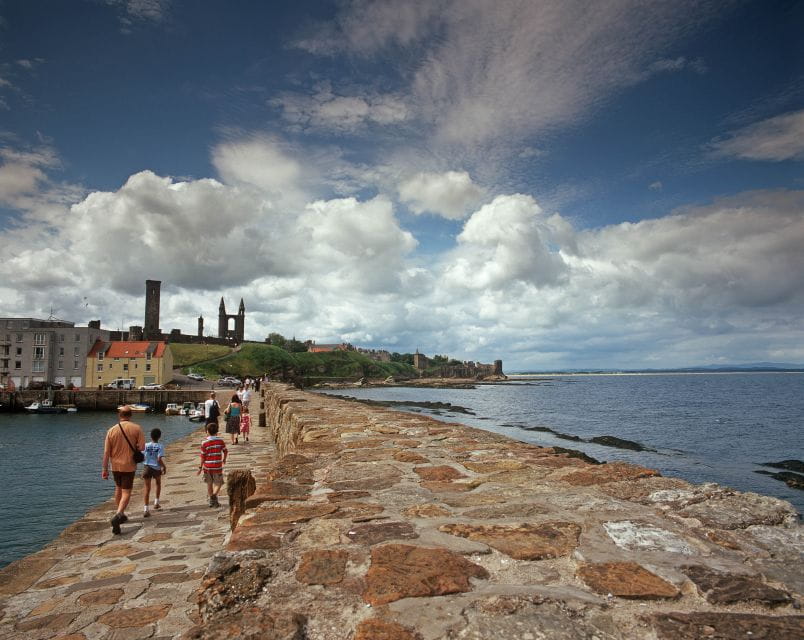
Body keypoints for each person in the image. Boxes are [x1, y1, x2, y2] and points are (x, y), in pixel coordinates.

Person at [102, 405, 145, 535]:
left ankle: (120, 513)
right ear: (130, 415)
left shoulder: (111, 430)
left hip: (115, 465)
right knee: (126, 492)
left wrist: (104, 469)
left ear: (119, 416)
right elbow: (142, 447)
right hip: (129, 464)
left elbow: (106, 452)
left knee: (118, 488)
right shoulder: (136, 428)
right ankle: (119, 514)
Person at [198, 421, 227, 507]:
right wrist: (224, 459)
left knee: (209, 484)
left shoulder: (204, 443)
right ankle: (214, 497)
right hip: (217, 466)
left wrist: (200, 467)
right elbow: (225, 451)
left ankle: (212, 499)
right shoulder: (220, 441)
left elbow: (203, 456)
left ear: (207, 431)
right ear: (217, 431)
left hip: (207, 467)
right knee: (218, 483)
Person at [142, 428, 167, 517]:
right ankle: (156, 503)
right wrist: (164, 466)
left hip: (147, 467)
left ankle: (146, 509)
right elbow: (159, 459)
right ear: (159, 436)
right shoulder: (160, 446)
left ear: (150, 436)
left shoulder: (146, 445)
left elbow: (142, 454)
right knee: (158, 484)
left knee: (147, 488)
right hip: (156, 468)